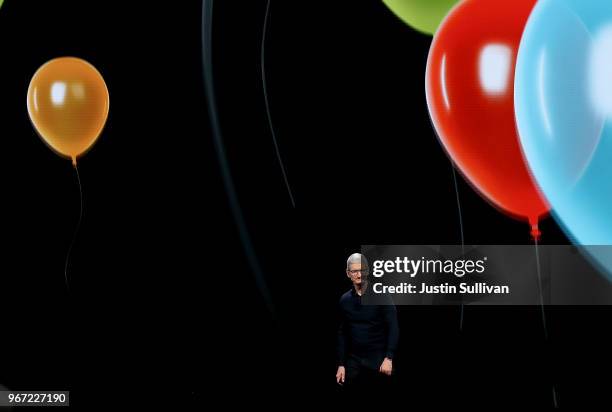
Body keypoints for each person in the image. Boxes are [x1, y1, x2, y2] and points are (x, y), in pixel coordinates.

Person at [336, 253, 399, 393]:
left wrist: (389, 357)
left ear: (368, 270)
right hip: (354, 362)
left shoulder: (382, 294)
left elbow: (393, 327)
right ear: (348, 273)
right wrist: (341, 364)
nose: (359, 275)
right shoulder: (344, 300)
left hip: (378, 360)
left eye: (362, 270)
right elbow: (342, 333)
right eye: (354, 271)